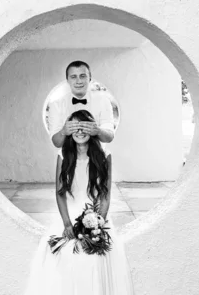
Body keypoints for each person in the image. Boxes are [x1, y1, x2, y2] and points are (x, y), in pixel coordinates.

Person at [24, 110, 134, 295]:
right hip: (68, 215)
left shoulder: (104, 156)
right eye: (76, 126)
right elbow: (60, 193)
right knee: (62, 258)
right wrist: (67, 223)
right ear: (69, 131)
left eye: (85, 126)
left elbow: (105, 194)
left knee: (96, 259)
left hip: (95, 216)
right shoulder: (63, 155)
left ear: (92, 130)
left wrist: (98, 223)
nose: (80, 131)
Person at [48, 61, 115, 148]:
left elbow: (109, 137)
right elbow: (56, 143)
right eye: (73, 77)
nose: (78, 81)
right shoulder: (56, 105)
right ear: (67, 80)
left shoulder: (103, 101)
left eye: (82, 76)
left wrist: (98, 131)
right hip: (67, 159)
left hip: (97, 158)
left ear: (90, 78)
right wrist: (63, 131)